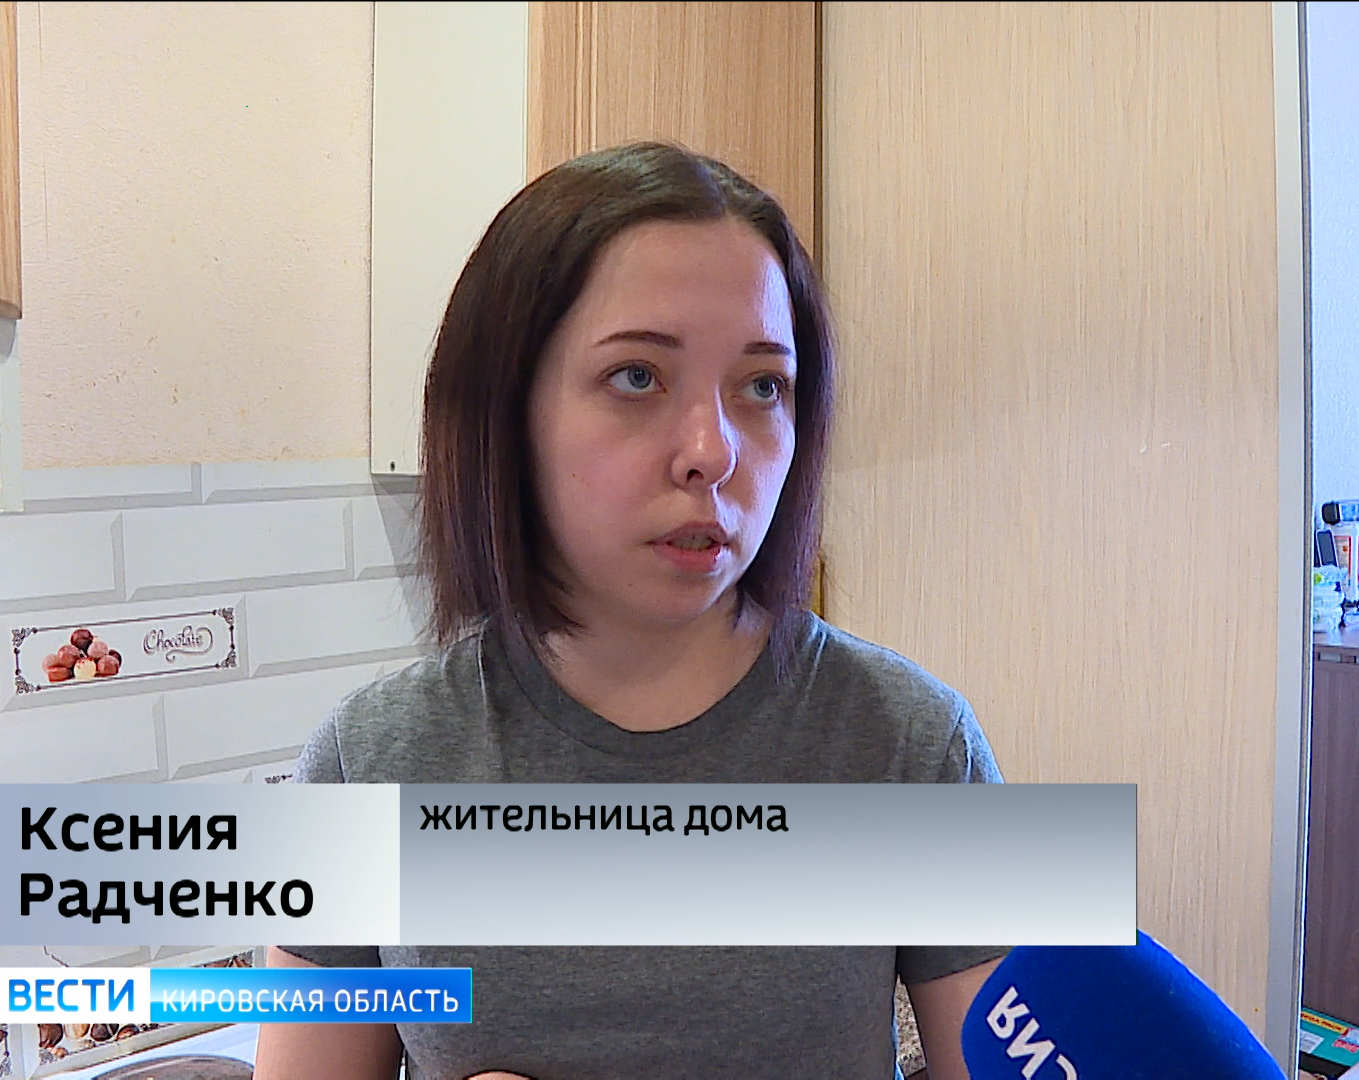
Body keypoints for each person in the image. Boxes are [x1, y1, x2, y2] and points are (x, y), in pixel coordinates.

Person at [255, 142, 1006, 1080]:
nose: (711, 453)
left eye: (762, 386)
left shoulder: (912, 745)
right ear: (505, 411)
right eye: (638, 377)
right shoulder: (368, 763)